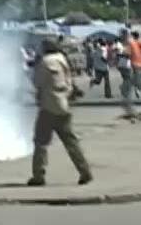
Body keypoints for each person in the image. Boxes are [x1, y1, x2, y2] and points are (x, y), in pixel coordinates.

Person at [28, 38, 93, 186]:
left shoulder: (44, 62)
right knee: (71, 143)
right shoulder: (61, 59)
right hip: (63, 104)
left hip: (48, 107)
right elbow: (69, 81)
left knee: (40, 142)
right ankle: (85, 172)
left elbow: (37, 82)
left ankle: (38, 175)